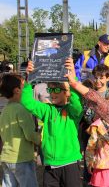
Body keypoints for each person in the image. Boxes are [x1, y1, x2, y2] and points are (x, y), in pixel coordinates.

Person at [21, 58, 83, 187]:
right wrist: (29, 79)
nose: (52, 94)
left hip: (70, 163)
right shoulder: (47, 110)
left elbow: (77, 102)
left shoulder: (72, 112)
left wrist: (73, 78)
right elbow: (27, 102)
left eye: (56, 90)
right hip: (50, 165)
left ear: (66, 93)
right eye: (50, 90)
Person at [0, 73, 40, 187]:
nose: (26, 90)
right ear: (17, 90)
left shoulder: (5, 110)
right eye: (23, 87)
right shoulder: (21, 110)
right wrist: (41, 138)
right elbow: (30, 135)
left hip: (7, 157)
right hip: (21, 158)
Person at [80, 64, 109, 186]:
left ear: (108, 78)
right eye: (96, 78)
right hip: (91, 135)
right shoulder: (88, 94)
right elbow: (85, 114)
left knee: (107, 165)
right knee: (89, 165)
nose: (98, 81)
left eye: (101, 78)